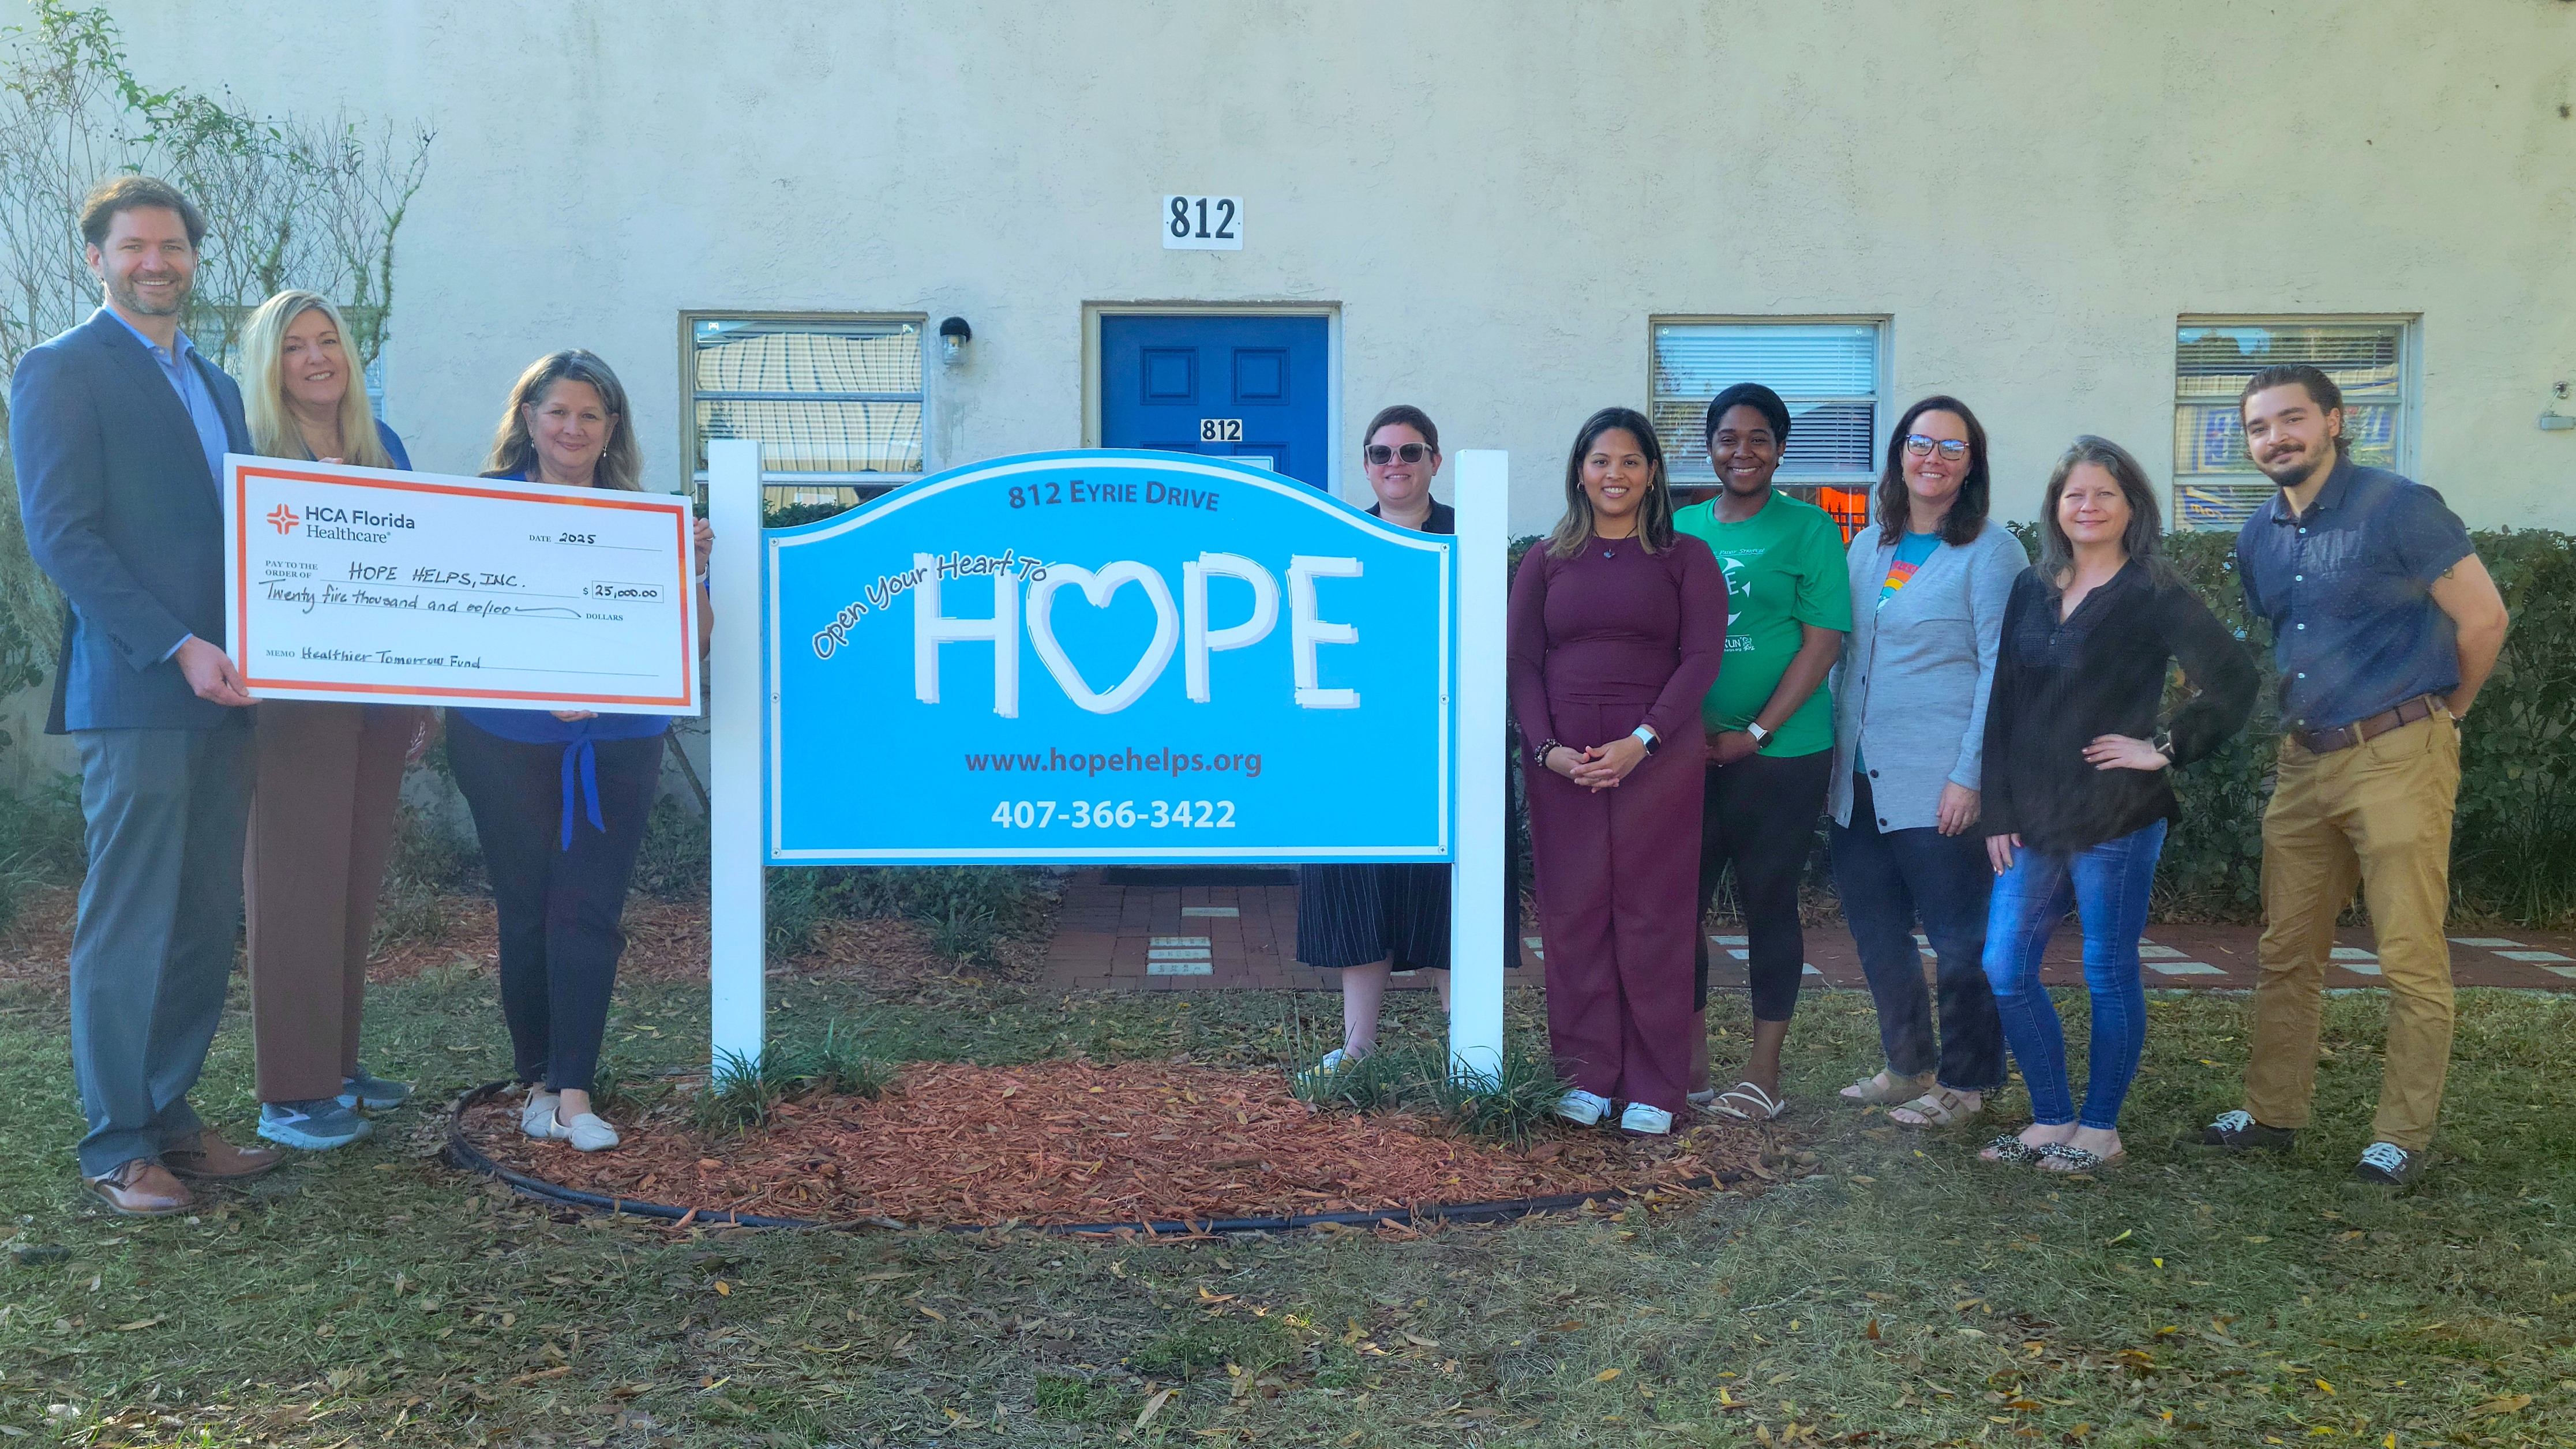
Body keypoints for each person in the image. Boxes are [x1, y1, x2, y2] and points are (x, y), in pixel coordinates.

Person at [11, 176, 280, 1213]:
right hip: (138, 687)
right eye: (134, 247)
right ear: (98, 259)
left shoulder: (216, 387)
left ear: (193, 258)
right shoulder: (59, 371)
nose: (154, 261)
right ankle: (118, 1144)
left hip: (233, 694)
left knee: (207, 915)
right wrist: (177, 645)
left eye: (172, 245)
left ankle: (170, 1115)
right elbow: (64, 537)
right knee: (130, 920)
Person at [2200, 363, 2508, 1186]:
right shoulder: (2258, 534)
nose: (2276, 438)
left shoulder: (2400, 507)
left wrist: (2446, 718)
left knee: (2408, 951)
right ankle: (2271, 1113)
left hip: (2399, 751)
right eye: (2259, 427)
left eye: (2292, 419)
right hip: (2304, 761)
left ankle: (2400, 1135)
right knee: (2286, 949)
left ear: (2335, 420)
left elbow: (2483, 617)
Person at [445, 351, 715, 1152]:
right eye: (557, 412)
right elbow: (450, 619)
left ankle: (574, 1092)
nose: (572, 428)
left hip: (617, 744)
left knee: (590, 913)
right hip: (505, 740)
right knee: (527, 911)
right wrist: (532, 684)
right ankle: (535, 1077)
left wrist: (690, 570)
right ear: (528, 419)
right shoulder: (476, 507)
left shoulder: (642, 520)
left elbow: (692, 645)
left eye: (589, 415)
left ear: (612, 428)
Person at [1976, 438, 2256, 1172]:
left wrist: (2164, 746)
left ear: (2132, 506)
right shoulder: (2029, 588)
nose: (2088, 506)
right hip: (2031, 817)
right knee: (2004, 965)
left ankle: (2099, 1130)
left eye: (2104, 494)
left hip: (2117, 815)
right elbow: (2002, 703)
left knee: (2106, 968)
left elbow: (2232, 679)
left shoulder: (2152, 590)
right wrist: (1997, 810)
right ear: (2055, 507)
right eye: (2075, 494)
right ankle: (2049, 1119)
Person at [234, 289, 430, 1151]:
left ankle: (339, 1069)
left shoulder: (383, 449)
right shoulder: (247, 449)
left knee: (350, 881)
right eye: (293, 347)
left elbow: (422, 567)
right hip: (290, 698)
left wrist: (423, 689)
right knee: (293, 887)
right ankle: (291, 1092)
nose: (316, 358)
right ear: (267, 366)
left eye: (328, 342)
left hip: (380, 698)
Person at [1508, 407, 1726, 1136]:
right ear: (1579, 470)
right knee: (1573, 917)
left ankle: (1654, 1086)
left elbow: (1700, 660)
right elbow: (1521, 662)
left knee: (1652, 917)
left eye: (1630, 461)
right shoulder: (1546, 559)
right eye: (1601, 460)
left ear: (1653, 473)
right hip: (1564, 757)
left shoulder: (1684, 557)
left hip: (1653, 755)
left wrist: (1644, 740)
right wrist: (1545, 749)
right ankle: (1584, 1074)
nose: (1615, 474)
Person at [1828, 396, 2024, 1131]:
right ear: (1898, 454)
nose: (1932, 459)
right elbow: (1844, 659)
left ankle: (1967, 1084)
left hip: (1940, 781)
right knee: (1878, 933)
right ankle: (1907, 1066)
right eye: (1920, 443)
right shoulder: (1867, 547)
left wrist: (1971, 776)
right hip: (1857, 780)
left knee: (1958, 939)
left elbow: (2000, 671)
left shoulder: (1991, 552)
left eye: (1951, 448)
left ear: (1971, 464)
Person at [1670, 385, 1850, 1121]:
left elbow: (1822, 643)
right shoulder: (1679, 527)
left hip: (1782, 754)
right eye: (1726, 437)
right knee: (1677, 906)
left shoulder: (1810, 530)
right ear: (1708, 447)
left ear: (1780, 448)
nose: (1740, 451)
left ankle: (1763, 1073)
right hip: (1686, 756)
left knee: (1768, 902)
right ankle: (1690, 1064)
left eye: (1758, 438)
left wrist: (1756, 733)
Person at [1296, 406, 1453, 1075]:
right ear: (1365, 465)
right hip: (1361, 746)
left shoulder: (1465, 537)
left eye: (1410, 452)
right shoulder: (1342, 540)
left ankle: (1467, 1052)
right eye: (1382, 453)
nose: (1397, 464)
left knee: (1451, 893)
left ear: (1433, 462)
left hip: (1445, 745)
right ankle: (1357, 1049)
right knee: (1361, 887)